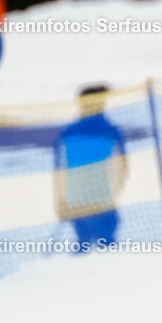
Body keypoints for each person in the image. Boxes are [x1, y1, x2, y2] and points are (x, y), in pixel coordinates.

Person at [52, 84, 128, 249]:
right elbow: (122, 168)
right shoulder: (112, 132)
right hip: (102, 200)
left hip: (75, 201)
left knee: (84, 246)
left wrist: (61, 202)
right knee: (107, 247)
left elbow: (60, 171)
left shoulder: (67, 133)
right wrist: (115, 192)